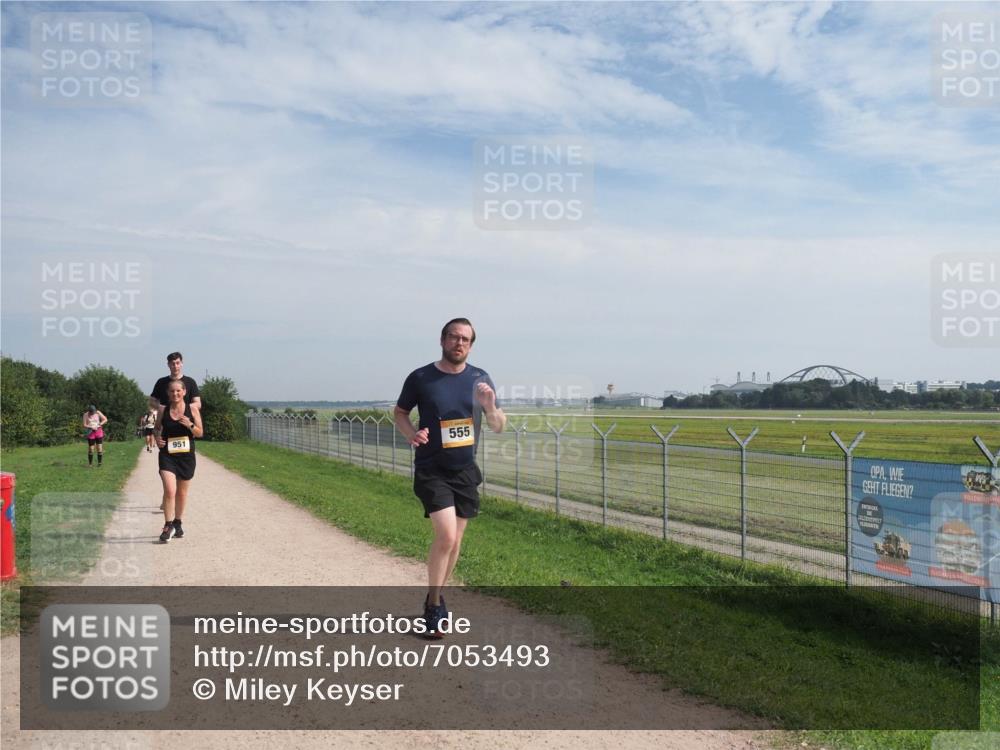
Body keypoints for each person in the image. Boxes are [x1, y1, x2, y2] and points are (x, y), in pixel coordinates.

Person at [394, 318, 505, 638]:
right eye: (454, 337)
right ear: (442, 340)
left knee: (456, 541)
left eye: (466, 339)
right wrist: (412, 435)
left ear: (471, 345)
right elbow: (400, 412)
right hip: (431, 468)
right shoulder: (421, 377)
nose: (459, 343)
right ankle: (432, 605)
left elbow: (498, 425)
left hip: (465, 470)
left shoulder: (480, 379)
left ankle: (437, 597)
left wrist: (491, 406)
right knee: (446, 536)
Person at [154, 379, 203, 543]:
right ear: (168, 393)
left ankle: (178, 523)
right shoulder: (163, 409)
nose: (175, 394)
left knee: (181, 493)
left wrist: (190, 425)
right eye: (172, 391)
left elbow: (200, 433)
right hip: (167, 455)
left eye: (178, 391)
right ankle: (167, 526)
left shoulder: (192, 409)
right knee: (169, 490)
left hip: (186, 456)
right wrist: (157, 438)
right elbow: (156, 428)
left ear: (184, 392)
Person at [150, 352, 202, 419]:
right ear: (168, 365)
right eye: (172, 363)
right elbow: (152, 401)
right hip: (165, 421)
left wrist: (182, 409)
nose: (175, 366)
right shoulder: (161, 382)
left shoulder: (190, 382)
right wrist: (163, 409)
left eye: (177, 363)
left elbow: (198, 404)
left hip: (185, 420)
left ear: (181, 363)